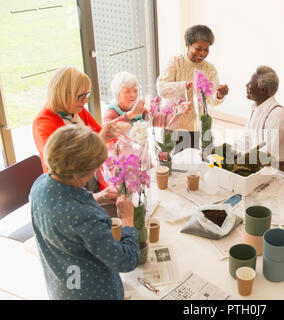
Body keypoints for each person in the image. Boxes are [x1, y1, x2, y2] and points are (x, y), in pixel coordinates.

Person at [30, 125, 140, 299]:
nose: (95, 172)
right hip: (94, 292)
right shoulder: (85, 217)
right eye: (95, 168)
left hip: (62, 287)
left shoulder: (40, 184)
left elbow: (65, 208)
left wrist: (98, 197)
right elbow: (125, 260)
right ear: (77, 175)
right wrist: (127, 220)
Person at [32, 66, 122, 208]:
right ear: (64, 94)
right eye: (81, 96)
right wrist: (101, 139)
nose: (86, 100)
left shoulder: (78, 111)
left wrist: (114, 131)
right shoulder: (43, 122)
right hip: (68, 194)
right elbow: (66, 164)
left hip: (92, 181)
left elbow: (105, 136)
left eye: (87, 94)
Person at [157, 24, 229, 149]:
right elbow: (161, 89)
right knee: (173, 165)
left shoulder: (209, 69)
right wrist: (184, 86)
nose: (202, 53)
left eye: (206, 50)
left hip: (197, 128)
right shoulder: (175, 62)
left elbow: (212, 99)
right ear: (188, 45)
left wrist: (219, 94)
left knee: (197, 164)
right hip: (174, 125)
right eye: (198, 48)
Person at [244, 66, 284, 175]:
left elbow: (267, 154)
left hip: (279, 169)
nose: (246, 85)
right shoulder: (254, 108)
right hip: (257, 163)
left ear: (263, 89)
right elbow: (246, 141)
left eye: (250, 83)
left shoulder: (278, 115)